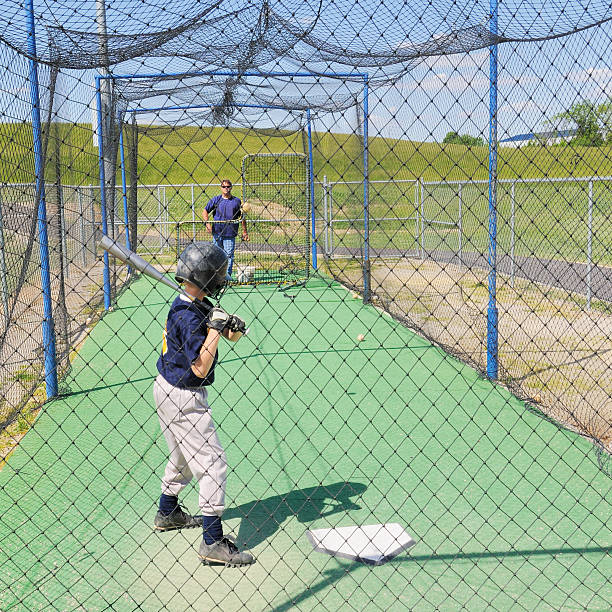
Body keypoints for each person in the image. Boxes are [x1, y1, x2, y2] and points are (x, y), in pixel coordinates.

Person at [152, 241, 255, 567]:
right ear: (211, 279)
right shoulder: (190, 318)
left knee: (182, 456)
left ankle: (167, 511)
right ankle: (212, 542)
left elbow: (225, 333)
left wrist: (227, 326)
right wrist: (213, 329)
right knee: (213, 464)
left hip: (165, 390)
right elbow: (200, 367)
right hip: (185, 396)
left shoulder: (191, 303)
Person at [202, 180, 248, 279]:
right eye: (224, 187)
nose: (226, 188)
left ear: (231, 187)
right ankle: (215, 276)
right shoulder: (216, 200)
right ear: (221, 188)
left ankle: (226, 277)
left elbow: (242, 217)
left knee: (229, 255)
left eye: (228, 186)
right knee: (216, 255)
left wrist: (245, 231)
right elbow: (205, 211)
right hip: (217, 232)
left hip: (230, 233)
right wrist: (207, 224)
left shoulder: (237, 201)